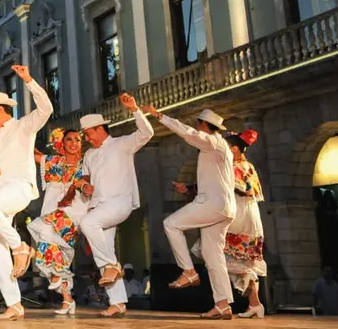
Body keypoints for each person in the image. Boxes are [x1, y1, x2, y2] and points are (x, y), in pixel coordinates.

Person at [0, 64, 53, 321]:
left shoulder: (23, 126)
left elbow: (46, 109)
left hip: (18, 187)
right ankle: (14, 304)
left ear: (1, 110)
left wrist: (29, 79)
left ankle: (20, 247)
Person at [143, 104, 235, 320]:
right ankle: (223, 304)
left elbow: (187, 133)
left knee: (171, 223)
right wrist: (190, 188)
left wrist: (159, 116)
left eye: (198, 124)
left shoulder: (212, 142)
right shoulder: (221, 147)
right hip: (224, 207)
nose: (196, 126)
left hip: (213, 204)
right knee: (214, 257)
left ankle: (189, 271)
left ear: (204, 125)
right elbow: (216, 180)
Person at [73, 93, 156, 318]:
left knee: (88, 225)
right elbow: (84, 178)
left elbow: (147, 133)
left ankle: (113, 266)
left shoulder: (122, 144)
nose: (87, 138)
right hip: (99, 205)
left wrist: (135, 110)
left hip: (120, 202)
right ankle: (118, 302)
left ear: (100, 129)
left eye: (88, 134)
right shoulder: (89, 154)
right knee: (104, 251)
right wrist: (83, 187)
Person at [182, 128, 268, 318]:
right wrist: (191, 189)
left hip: (239, 214)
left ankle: (225, 303)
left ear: (235, 150)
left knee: (215, 253)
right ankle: (255, 304)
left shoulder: (239, 167)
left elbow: (242, 188)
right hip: (242, 214)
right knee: (241, 261)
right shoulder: (242, 166)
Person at [26, 127, 86, 316]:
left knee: (43, 228)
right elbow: (33, 154)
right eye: (69, 139)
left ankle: (56, 277)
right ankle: (67, 299)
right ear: (62, 143)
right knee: (49, 249)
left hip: (75, 210)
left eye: (77, 139)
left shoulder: (87, 164)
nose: (74, 143)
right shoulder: (53, 162)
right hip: (51, 210)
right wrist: (23, 135)